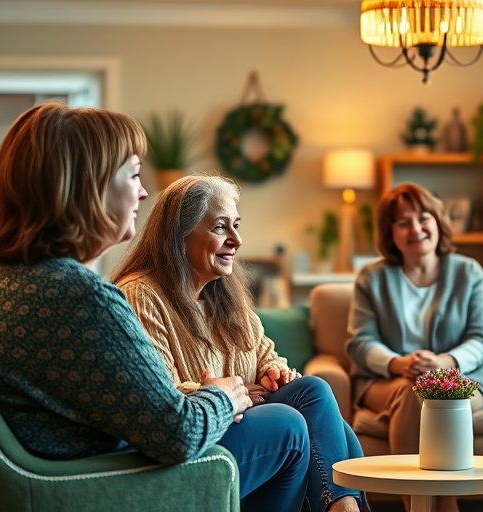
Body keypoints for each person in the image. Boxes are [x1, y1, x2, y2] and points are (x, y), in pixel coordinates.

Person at [0, 102, 308, 512]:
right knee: (287, 428)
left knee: (304, 402)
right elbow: (179, 433)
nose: (142, 192)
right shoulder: (81, 299)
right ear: (90, 186)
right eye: (135, 175)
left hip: (55, 475)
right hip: (92, 486)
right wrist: (225, 395)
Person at [112, 175, 366, 512]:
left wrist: (275, 373)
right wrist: (236, 394)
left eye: (236, 226)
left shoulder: (226, 297)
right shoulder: (141, 295)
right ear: (179, 235)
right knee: (296, 423)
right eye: (221, 227)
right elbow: (158, 395)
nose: (237, 240)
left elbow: (265, 355)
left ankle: (343, 508)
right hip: (194, 438)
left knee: (315, 395)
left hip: (234, 423)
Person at [345, 182, 483, 512]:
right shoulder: (371, 278)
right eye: (403, 222)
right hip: (389, 380)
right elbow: (359, 342)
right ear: (391, 233)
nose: (415, 228)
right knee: (415, 390)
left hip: (459, 378)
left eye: (423, 218)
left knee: (433, 392)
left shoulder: (468, 272)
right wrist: (399, 364)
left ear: (437, 221)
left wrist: (445, 362)